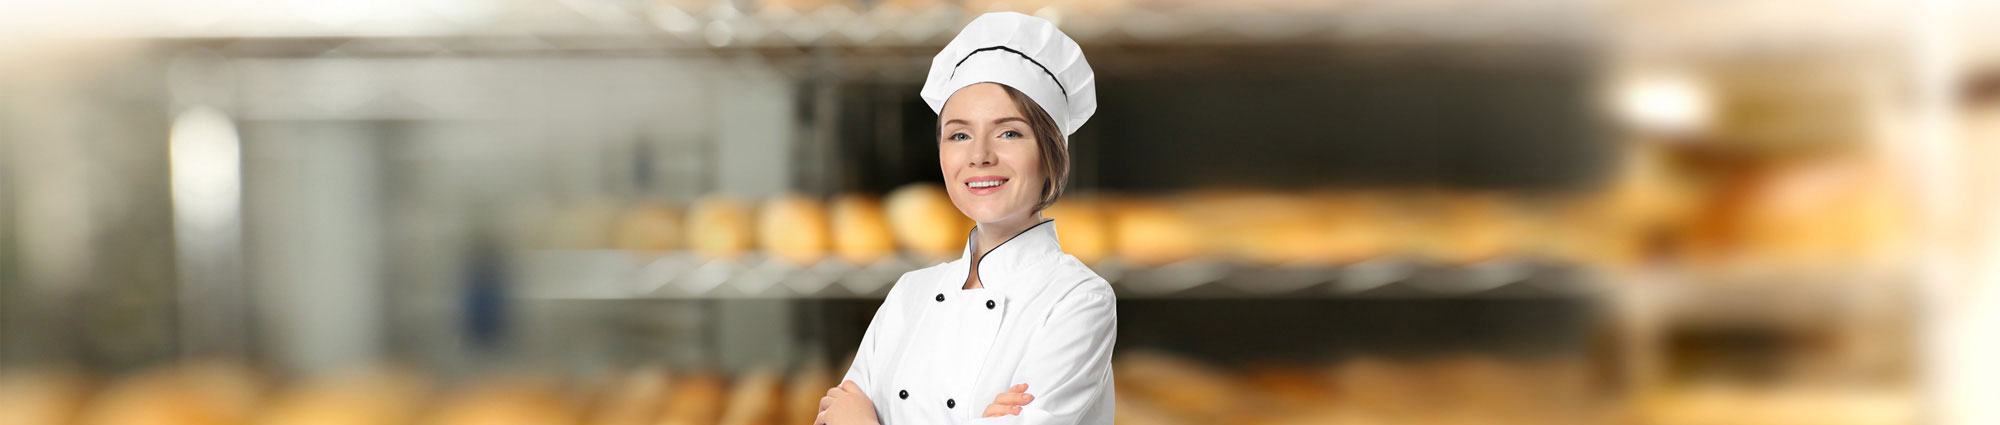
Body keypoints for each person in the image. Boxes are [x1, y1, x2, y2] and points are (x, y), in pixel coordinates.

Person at [814, 11, 1114, 425]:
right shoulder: (910, 293)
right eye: (959, 134)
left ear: (1051, 156)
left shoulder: (1076, 299)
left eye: (1009, 132)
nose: (979, 155)